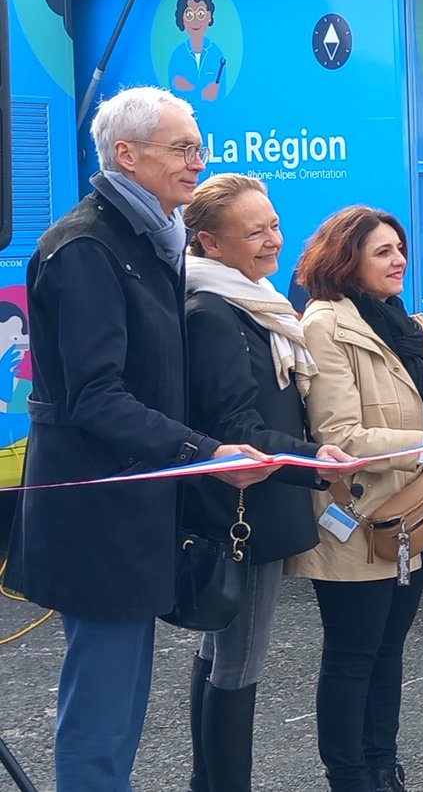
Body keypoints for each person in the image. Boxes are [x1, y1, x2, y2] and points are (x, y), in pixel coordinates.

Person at [3, 86, 275, 790]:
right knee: (100, 712)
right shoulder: (87, 246)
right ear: (127, 154)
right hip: (98, 514)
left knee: (121, 705)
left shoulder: (151, 239)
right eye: (183, 147)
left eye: (198, 145)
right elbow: (97, 396)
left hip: (139, 509)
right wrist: (203, 453)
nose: (199, 161)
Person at [286, 206, 423, 792]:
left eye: (398, 249)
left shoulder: (405, 324)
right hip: (355, 515)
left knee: (389, 649)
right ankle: (349, 776)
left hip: (410, 515)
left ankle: (381, 763)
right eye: (381, 252)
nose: (398, 260)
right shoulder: (325, 324)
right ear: (347, 260)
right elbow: (338, 439)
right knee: (352, 654)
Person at [180, 173, 357, 792]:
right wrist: (317, 454)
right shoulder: (214, 310)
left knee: (218, 652)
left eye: (275, 225)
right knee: (239, 661)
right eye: (254, 232)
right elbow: (239, 428)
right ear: (208, 242)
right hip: (244, 508)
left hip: (256, 503)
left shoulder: (251, 301)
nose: (272, 240)